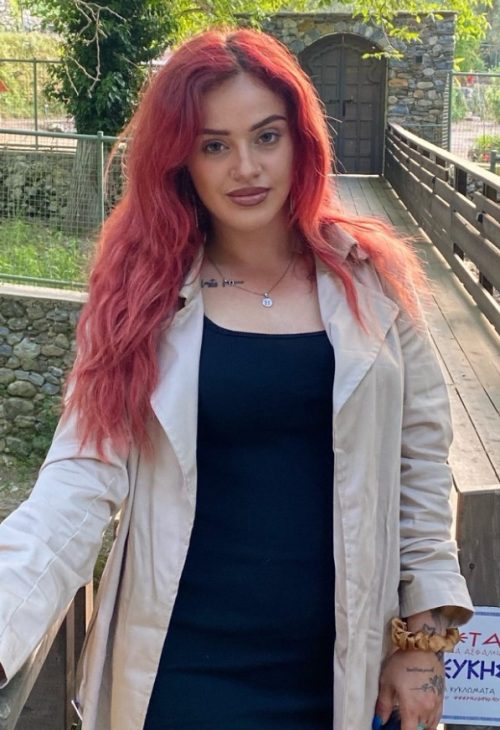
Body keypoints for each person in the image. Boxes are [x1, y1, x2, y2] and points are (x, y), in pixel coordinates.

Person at [0, 27, 472, 730]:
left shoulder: (372, 283)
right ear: (179, 160)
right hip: (185, 673)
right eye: (214, 145)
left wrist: (423, 641)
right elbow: (77, 480)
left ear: (300, 141)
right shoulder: (140, 301)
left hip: (343, 670)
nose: (245, 167)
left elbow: (421, 466)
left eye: (266, 137)